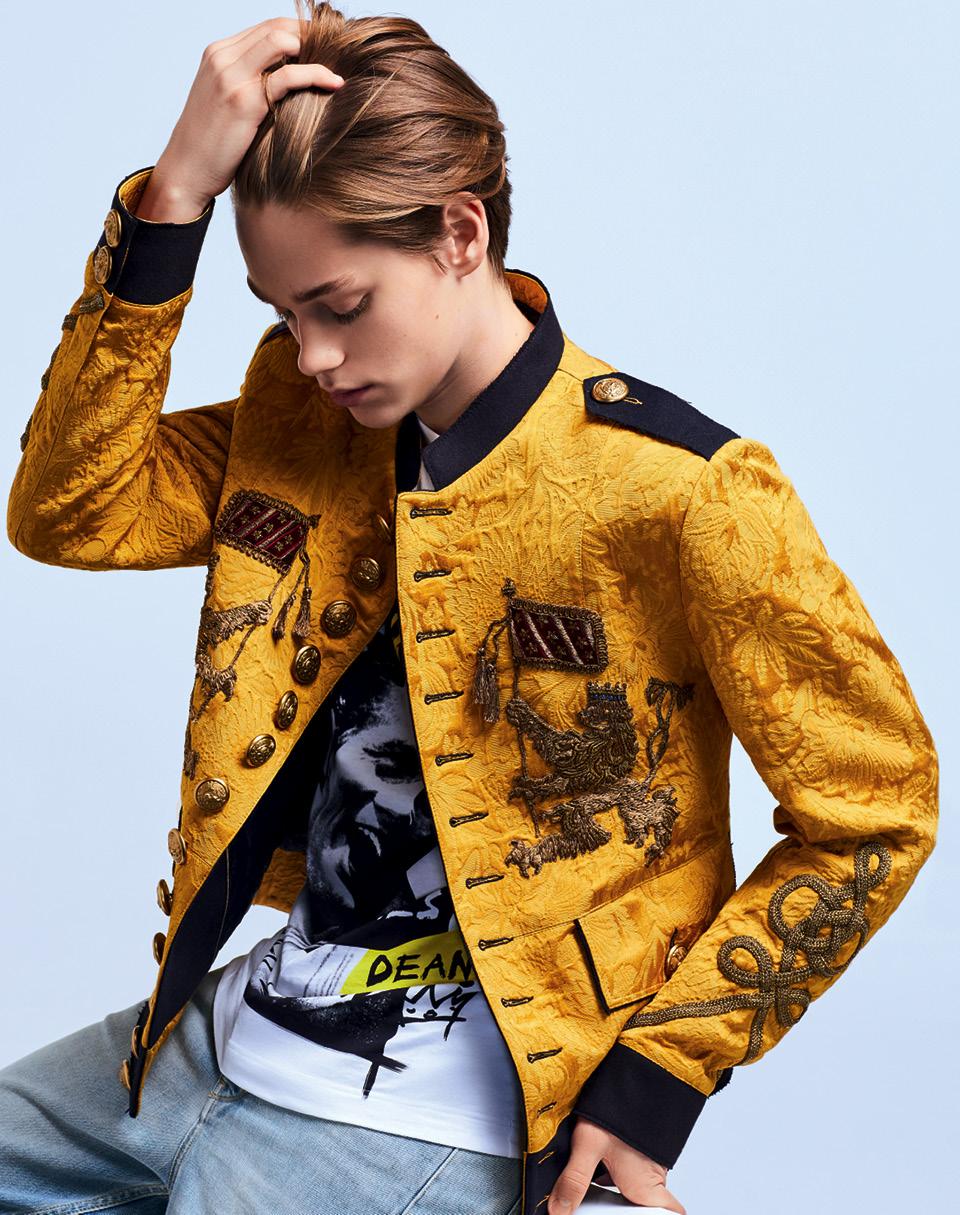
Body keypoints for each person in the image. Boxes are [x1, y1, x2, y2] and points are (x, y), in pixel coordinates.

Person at [0, 2, 939, 1214]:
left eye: (341, 304)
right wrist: (169, 201)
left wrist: (663, 1074)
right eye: (283, 315)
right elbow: (71, 510)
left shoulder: (678, 492)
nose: (313, 354)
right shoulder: (303, 428)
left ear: (459, 232)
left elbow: (878, 809)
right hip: (214, 1036)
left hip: (425, 1120)